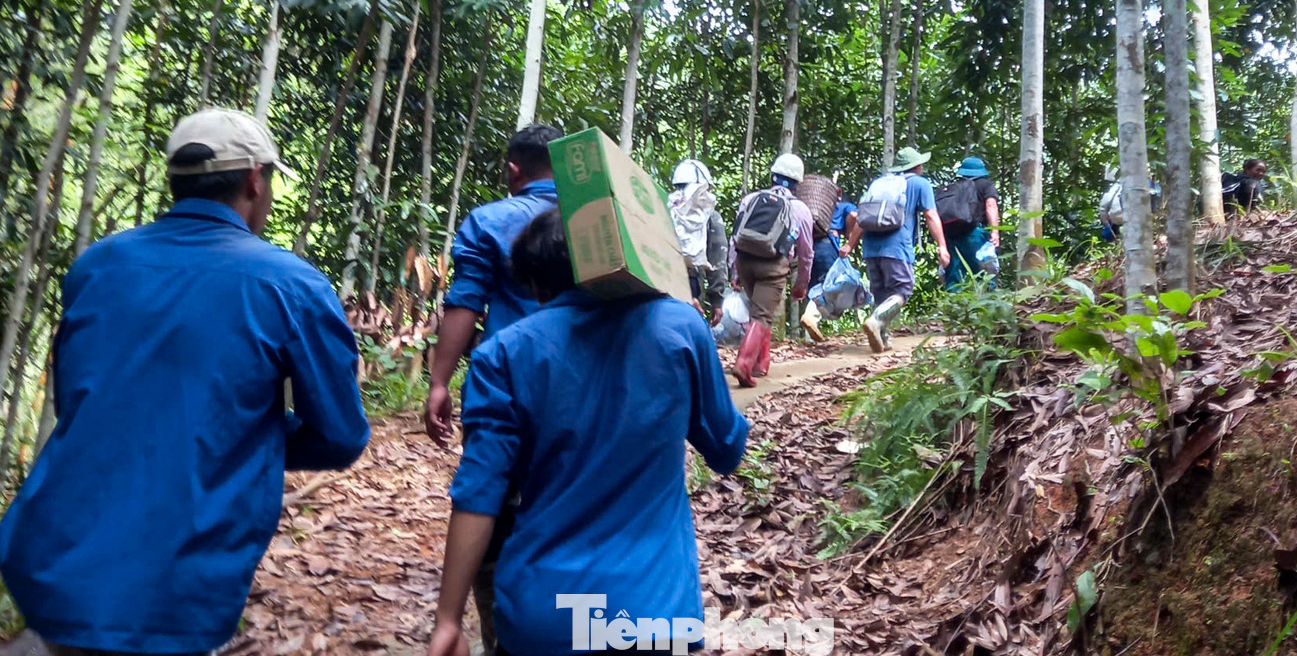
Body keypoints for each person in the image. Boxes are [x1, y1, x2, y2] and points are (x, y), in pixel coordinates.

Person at [0, 108, 369, 656]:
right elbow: (340, 435)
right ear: (254, 180)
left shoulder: (97, 266)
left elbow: (89, 395)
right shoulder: (289, 284)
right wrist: (242, 436)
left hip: (51, 561)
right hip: (177, 584)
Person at [427, 209, 747, 656]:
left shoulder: (502, 354)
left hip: (545, 618)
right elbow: (727, 450)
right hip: (654, 614)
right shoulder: (681, 328)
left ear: (537, 285)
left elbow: (479, 495)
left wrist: (447, 620)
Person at [425, 123, 563, 448]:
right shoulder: (598, 220)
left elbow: (466, 302)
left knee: (490, 488)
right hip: (584, 387)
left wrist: (439, 382)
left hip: (503, 383)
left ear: (514, 170)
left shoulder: (488, 221)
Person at [839, 146, 949, 353]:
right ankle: (877, 320)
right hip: (897, 247)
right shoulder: (919, 184)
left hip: (871, 247)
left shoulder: (879, 184)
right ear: (917, 166)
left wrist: (850, 244)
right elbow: (931, 215)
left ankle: (884, 338)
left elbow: (862, 217)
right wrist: (942, 246)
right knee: (902, 290)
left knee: (881, 293)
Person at [728, 154, 815, 387]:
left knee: (758, 311)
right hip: (773, 267)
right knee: (762, 315)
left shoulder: (751, 199)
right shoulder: (800, 209)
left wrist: (734, 271)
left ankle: (760, 364)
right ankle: (744, 364)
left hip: (745, 262)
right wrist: (802, 284)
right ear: (797, 183)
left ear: (773, 175)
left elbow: (734, 236)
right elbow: (806, 252)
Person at [668, 158, 729, 327]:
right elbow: (717, 258)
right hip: (690, 281)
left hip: (662, 280)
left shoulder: (665, 207)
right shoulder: (709, 215)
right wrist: (717, 300)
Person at [800, 184, 857, 342]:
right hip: (827, 246)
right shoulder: (843, 206)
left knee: (812, 287)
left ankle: (808, 338)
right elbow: (854, 215)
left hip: (807, 246)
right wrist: (850, 235)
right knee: (829, 287)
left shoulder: (814, 211)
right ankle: (811, 316)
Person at [937, 156, 1002, 292]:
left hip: (951, 235)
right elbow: (991, 205)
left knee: (954, 277)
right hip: (974, 234)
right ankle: (987, 306)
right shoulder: (985, 184)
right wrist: (994, 231)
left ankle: (954, 308)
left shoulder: (954, 186)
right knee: (982, 273)